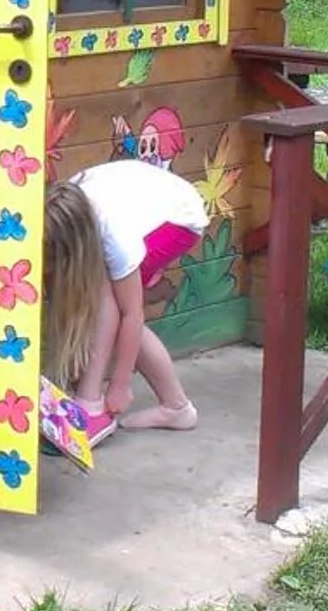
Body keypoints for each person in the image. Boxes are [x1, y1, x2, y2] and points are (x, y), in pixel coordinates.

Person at [44, 158, 206, 437]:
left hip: (181, 218)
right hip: (143, 200)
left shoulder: (115, 237)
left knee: (114, 305)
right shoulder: (60, 208)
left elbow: (132, 314)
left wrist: (119, 385)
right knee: (102, 298)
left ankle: (172, 406)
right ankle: (93, 393)